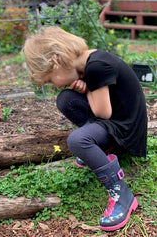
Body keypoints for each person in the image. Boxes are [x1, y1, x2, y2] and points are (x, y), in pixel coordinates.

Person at [23, 26, 147, 231]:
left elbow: (102, 114)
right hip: (116, 120)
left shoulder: (96, 67)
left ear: (57, 61)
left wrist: (88, 87)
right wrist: (83, 84)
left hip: (127, 131)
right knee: (66, 99)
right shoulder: (89, 62)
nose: (54, 85)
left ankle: (121, 193)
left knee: (77, 140)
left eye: (50, 79)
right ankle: (102, 149)